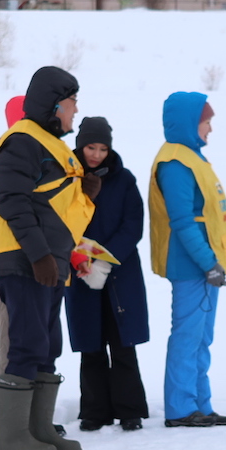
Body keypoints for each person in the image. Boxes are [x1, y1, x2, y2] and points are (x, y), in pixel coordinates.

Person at [0, 67, 96, 450]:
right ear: (54, 106)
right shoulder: (22, 141)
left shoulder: (52, 144)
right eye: (71, 103)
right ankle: (12, 442)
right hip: (24, 260)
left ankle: (39, 430)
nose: (76, 111)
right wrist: (39, 255)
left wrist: (85, 193)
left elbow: (58, 209)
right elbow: (12, 202)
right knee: (27, 343)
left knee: (48, 345)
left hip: (49, 261)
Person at [150, 91, 226, 427]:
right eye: (207, 122)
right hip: (191, 265)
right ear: (192, 123)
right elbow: (182, 222)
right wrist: (208, 263)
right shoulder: (175, 163)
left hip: (204, 265)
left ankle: (200, 404)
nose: (210, 129)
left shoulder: (190, 157)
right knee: (187, 335)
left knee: (202, 337)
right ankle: (180, 408)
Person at [65, 115, 152, 430]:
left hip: (119, 272)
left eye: (102, 148)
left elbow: (133, 224)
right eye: (91, 147)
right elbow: (62, 219)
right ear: (81, 145)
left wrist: (106, 257)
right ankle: (94, 411)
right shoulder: (68, 177)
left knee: (122, 342)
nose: (96, 155)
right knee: (91, 344)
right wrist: (79, 256)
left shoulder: (124, 180)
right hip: (80, 270)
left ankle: (130, 410)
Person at [0, 94, 25, 377]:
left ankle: (32, 410)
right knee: (12, 332)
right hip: (13, 259)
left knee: (23, 334)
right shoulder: (5, 155)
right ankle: (12, 403)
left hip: (11, 254)